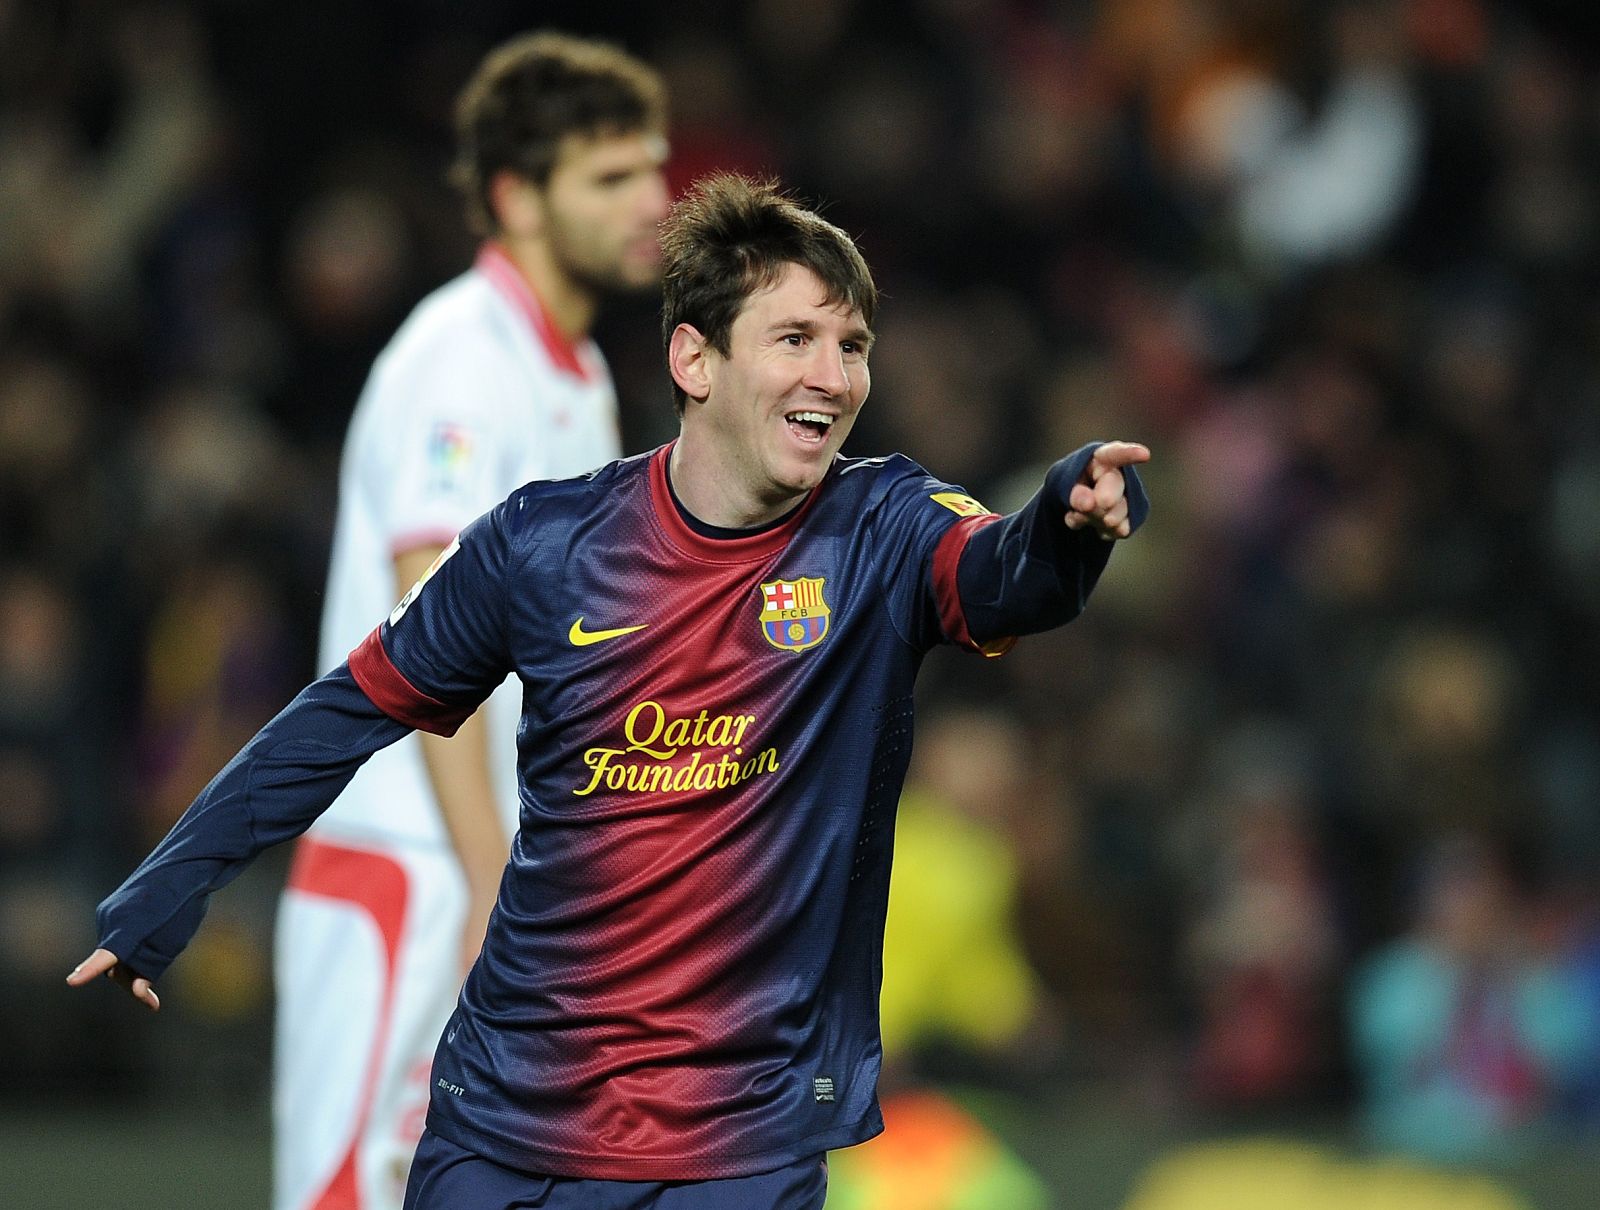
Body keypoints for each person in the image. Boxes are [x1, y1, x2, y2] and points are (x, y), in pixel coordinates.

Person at [70, 173, 1150, 1210]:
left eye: (852, 345)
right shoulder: (543, 545)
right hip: (506, 1130)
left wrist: (1069, 519)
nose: (833, 374)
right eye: (795, 339)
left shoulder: (883, 529)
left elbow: (1005, 573)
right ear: (694, 358)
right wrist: (168, 885)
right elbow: (348, 709)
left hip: (738, 1150)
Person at [276, 32, 668, 1210]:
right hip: (413, 862)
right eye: (610, 177)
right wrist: (493, 884)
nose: (652, 201)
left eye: (652, 169)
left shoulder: (576, 374)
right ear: (517, 197)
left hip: (496, 870)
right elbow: (431, 637)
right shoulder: (459, 360)